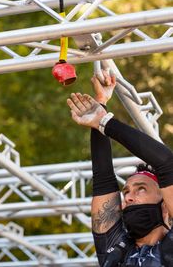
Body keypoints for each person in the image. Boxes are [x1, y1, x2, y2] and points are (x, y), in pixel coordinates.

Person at [67, 70, 173, 267]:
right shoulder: (117, 250)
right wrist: (99, 106)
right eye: (126, 192)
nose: (129, 198)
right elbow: (103, 179)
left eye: (141, 189)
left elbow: (167, 164)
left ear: (166, 204)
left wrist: (105, 122)